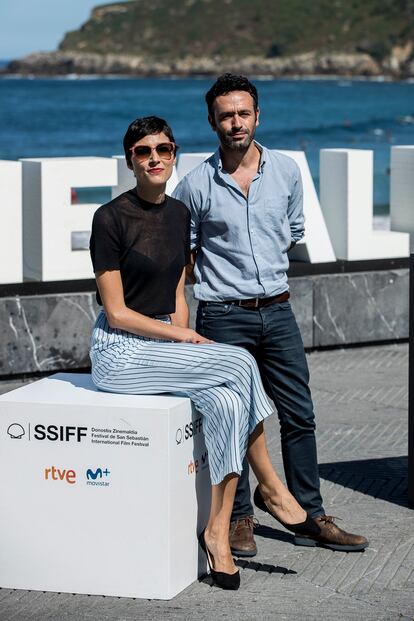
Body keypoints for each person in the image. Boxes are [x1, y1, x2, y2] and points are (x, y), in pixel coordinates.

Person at [89, 115, 321, 591]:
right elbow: (116, 313)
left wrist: (185, 343)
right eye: (143, 151)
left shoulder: (178, 214)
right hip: (120, 354)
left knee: (230, 400)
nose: (155, 158)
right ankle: (273, 489)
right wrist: (185, 342)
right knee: (239, 360)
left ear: (174, 154)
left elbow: (178, 295)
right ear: (130, 159)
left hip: (164, 348)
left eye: (164, 149)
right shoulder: (109, 218)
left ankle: (217, 533)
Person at [173, 74, 369, 556]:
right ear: (212, 121)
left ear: (258, 116)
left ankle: (311, 512)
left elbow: (293, 229)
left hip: (278, 311)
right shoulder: (195, 185)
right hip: (222, 316)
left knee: (299, 415)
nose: (235, 123)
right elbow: (185, 253)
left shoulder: (285, 171)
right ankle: (241, 518)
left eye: (243, 113)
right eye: (226, 115)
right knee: (234, 419)